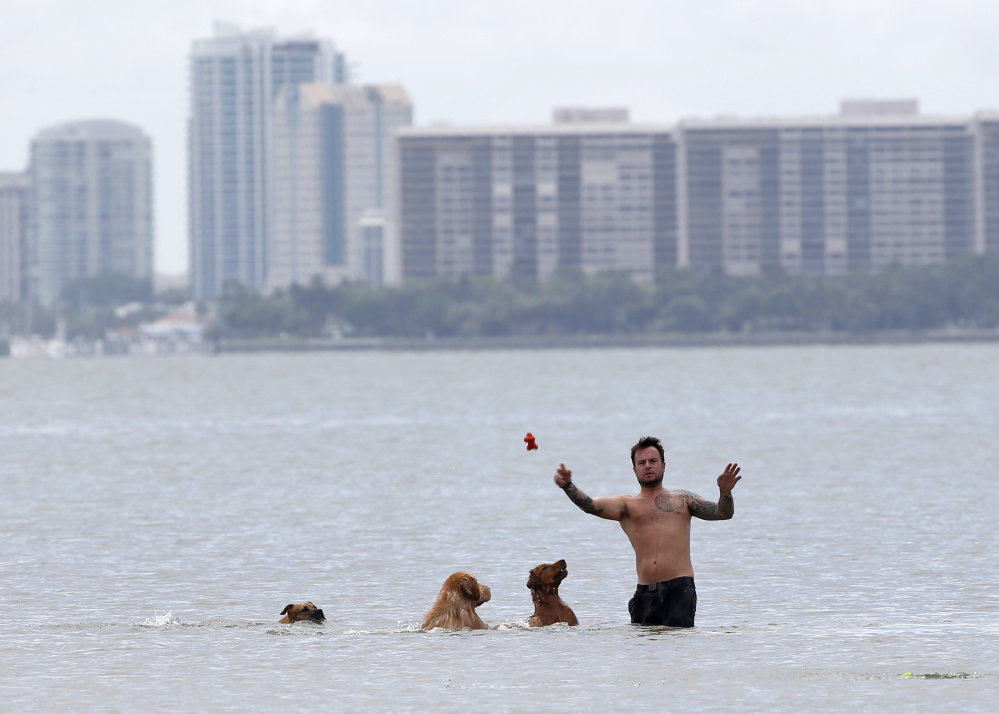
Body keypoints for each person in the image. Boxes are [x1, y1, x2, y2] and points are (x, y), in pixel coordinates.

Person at [554, 435, 741, 627]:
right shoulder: (626, 505)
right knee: (643, 652)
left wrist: (725, 492)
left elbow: (722, 513)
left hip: (679, 589)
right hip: (644, 593)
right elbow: (590, 505)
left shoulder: (683, 499)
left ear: (663, 465)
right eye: (641, 462)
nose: (648, 466)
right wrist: (568, 486)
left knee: (677, 648)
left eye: (653, 461)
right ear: (635, 469)